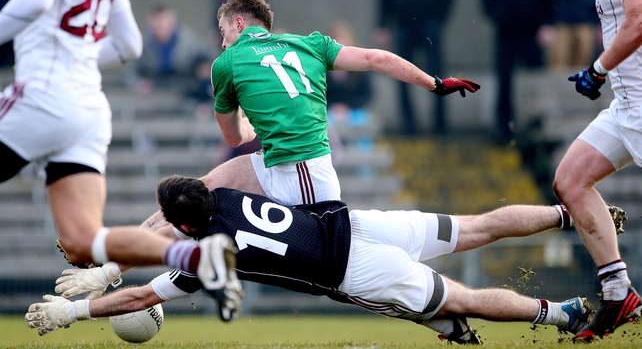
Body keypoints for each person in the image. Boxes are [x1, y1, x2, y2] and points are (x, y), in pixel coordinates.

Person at [28, 174, 594, 344]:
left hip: (351, 270)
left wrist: (73, 313)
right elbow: (177, 212)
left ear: (182, 226)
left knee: (462, 300)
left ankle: (562, 313)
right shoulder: (222, 194)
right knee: (477, 227)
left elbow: (142, 297)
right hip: (355, 222)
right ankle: (572, 214)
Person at [0, 0, 242, 322]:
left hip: (41, 95)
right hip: (88, 109)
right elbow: (129, 45)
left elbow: (37, 0)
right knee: (82, 241)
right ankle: (198, 258)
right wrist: (78, 58)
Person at [202, 0, 480, 209]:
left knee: (213, 204)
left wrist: (249, 126)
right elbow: (378, 58)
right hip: (303, 172)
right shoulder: (312, 44)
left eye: (223, 31)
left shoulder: (226, 62)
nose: (223, 42)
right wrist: (436, 84)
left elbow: (234, 138)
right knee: (207, 188)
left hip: (300, 177)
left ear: (238, 24)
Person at [555, 0, 642, 341]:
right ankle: (618, 293)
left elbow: (637, 21)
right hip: (626, 104)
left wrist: (599, 68)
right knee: (571, 181)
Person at [375, 0, 455, 135]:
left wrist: (441, 17)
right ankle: (408, 124)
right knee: (402, 73)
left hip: (430, 20)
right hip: (403, 21)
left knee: (436, 74)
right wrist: (383, 23)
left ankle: (440, 123)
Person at [482, 0, 554, 142]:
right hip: (506, 31)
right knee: (504, 81)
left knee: (535, 81)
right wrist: (499, 16)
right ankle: (504, 127)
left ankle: (535, 124)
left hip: (532, 32)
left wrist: (547, 23)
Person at [125, 5, 213, 95]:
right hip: (154, 92)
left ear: (173, 23)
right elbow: (131, 71)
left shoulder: (188, 41)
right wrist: (139, 83)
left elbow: (206, 57)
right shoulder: (141, 44)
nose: (160, 26)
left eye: (164, 22)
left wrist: (203, 68)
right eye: (157, 23)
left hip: (185, 90)